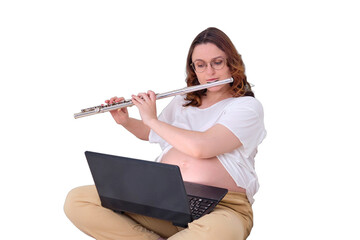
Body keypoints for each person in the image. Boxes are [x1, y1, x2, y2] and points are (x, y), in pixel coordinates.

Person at [64, 27, 266, 240]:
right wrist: (126, 121)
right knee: (78, 199)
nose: (210, 73)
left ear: (231, 62)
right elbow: (154, 133)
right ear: (193, 69)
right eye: (201, 65)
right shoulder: (183, 101)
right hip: (163, 199)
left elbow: (202, 147)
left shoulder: (246, 107)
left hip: (222, 208)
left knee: (216, 233)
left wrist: (151, 118)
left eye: (217, 62)